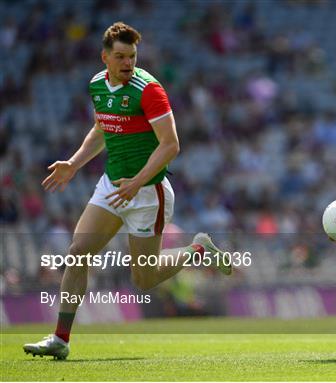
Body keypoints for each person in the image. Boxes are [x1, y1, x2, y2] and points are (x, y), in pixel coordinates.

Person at [23, 22, 231, 360]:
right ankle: (60, 339)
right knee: (78, 252)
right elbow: (101, 129)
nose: (127, 63)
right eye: (120, 56)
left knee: (144, 279)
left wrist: (136, 183)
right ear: (104, 57)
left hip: (148, 192)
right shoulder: (96, 85)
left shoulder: (149, 90)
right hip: (112, 186)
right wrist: (74, 164)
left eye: (132, 56)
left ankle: (198, 249)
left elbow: (170, 145)